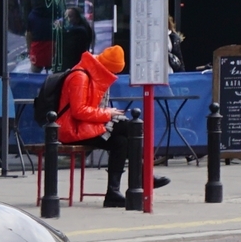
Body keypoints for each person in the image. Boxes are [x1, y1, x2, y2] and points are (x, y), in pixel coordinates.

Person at [59, 41, 166, 206]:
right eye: (111, 71)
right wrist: (108, 113)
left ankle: (113, 193)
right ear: (104, 66)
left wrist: (107, 114)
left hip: (87, 126)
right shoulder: (80, 76)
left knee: (121, 142)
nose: (111, 75)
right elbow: (78, 111)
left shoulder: (95, 75)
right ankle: (143, 176)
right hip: (72, 130)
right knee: (128, 127)